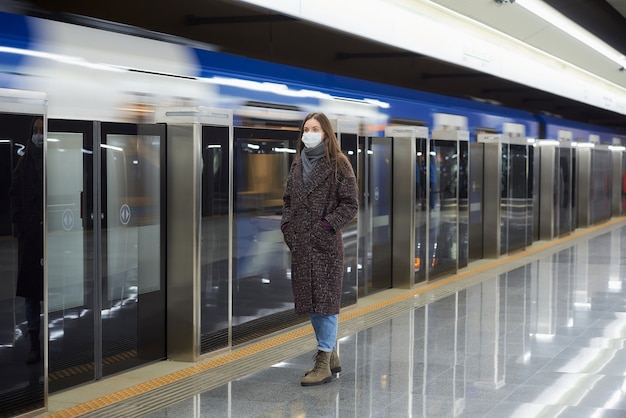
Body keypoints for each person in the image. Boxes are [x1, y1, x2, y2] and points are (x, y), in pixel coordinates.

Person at [281, 112, 358, 386]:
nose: (310, 133)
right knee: (312, 304)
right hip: (301, 245)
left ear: (326, 133)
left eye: (315, 129)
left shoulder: (339, 164)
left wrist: (326, 226)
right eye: (306, 129)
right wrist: (288, 227)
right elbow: (288, 201)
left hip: (325, 247)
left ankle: (323, 362)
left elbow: (350, 204)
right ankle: (330, 353)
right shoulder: (296, 165)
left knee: (326, 304)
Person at [10, 116, 44, 365]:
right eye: (35, 131)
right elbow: (15, 197)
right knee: (32, 292)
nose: (39, 135)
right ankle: (34, 342)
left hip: (50, 236)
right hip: (31, 237)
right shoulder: (24, 164)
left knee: (46, 288)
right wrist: (21, 224)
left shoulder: (55, 161)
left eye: (42, 131)